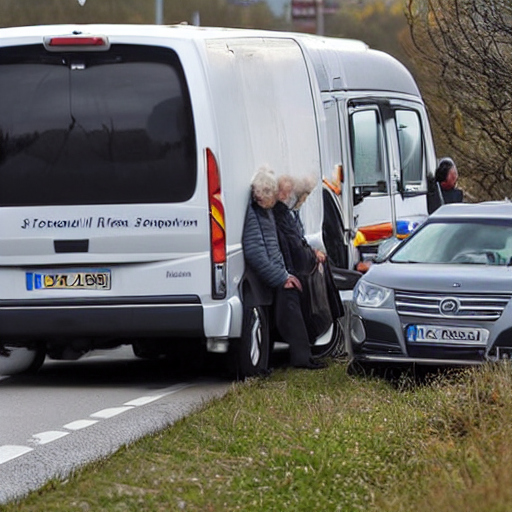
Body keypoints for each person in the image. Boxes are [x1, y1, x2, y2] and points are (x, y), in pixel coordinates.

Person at [242, 167, 327, 370]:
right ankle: (301, 358)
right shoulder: (256, 216)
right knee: (291, 305)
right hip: (272, 276)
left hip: (277, 273)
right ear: (265, 195)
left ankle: (302, 355)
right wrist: (282, 277)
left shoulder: (264, 213)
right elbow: (256, 253)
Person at [273, 174, 343, 344]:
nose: (304, 200)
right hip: (296, 268)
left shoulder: (287, 213)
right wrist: (312, 254)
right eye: (303, 195)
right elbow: (295, 243)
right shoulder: (283, 214)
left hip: (295, 263)